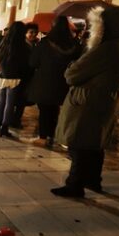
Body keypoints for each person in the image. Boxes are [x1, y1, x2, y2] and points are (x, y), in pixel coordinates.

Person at [52, 6, 119, 198]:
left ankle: (74, 185)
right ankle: (93, 180)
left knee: (80, 143)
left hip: (90, 103)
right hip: (106, 102)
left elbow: (72, 74)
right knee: (95, 143)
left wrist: (75, 63)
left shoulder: (107, 48)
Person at [27, 16, 81, 146]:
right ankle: (52, 136)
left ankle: (43, 137)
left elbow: (33, 62)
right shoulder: (74, 44)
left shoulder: (45, 43)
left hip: (45, 82)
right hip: (64, 82)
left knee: (45, 110)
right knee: (55, 109)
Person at [0, 21, 32, 138]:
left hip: (2, 76)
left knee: (1, 101)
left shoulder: (4, 44)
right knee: (10, 104)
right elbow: (26, 63)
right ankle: (4, 128)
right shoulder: (23, 46)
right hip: (15, 77)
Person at [10, 22, 40, 128]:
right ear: (25, 33)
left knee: (22, 100)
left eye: (35, 33)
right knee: (18, 100)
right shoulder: (22, 46)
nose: (33, 35)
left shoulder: (35, 45)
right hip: (21, 77)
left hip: (28, 77)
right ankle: (13, 120)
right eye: (31, 32)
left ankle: (16, 119)